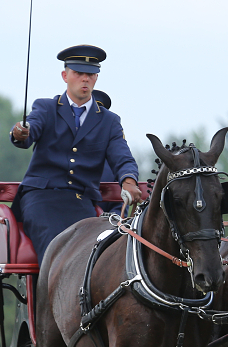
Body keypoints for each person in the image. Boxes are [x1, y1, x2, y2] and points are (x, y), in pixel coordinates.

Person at [9, 45, 141, 264]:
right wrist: (21, 133)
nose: (84, 79)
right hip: (41, 197)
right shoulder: (46, 108)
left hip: (81, 200)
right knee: (57, 248)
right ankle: (49, 298)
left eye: (90, 74)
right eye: (78, 73)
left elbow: (122, 157)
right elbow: (30, 130)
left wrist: (128, 181)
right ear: (65, 76)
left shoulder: (109, 121)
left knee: (92, 255)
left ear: (96, 78)